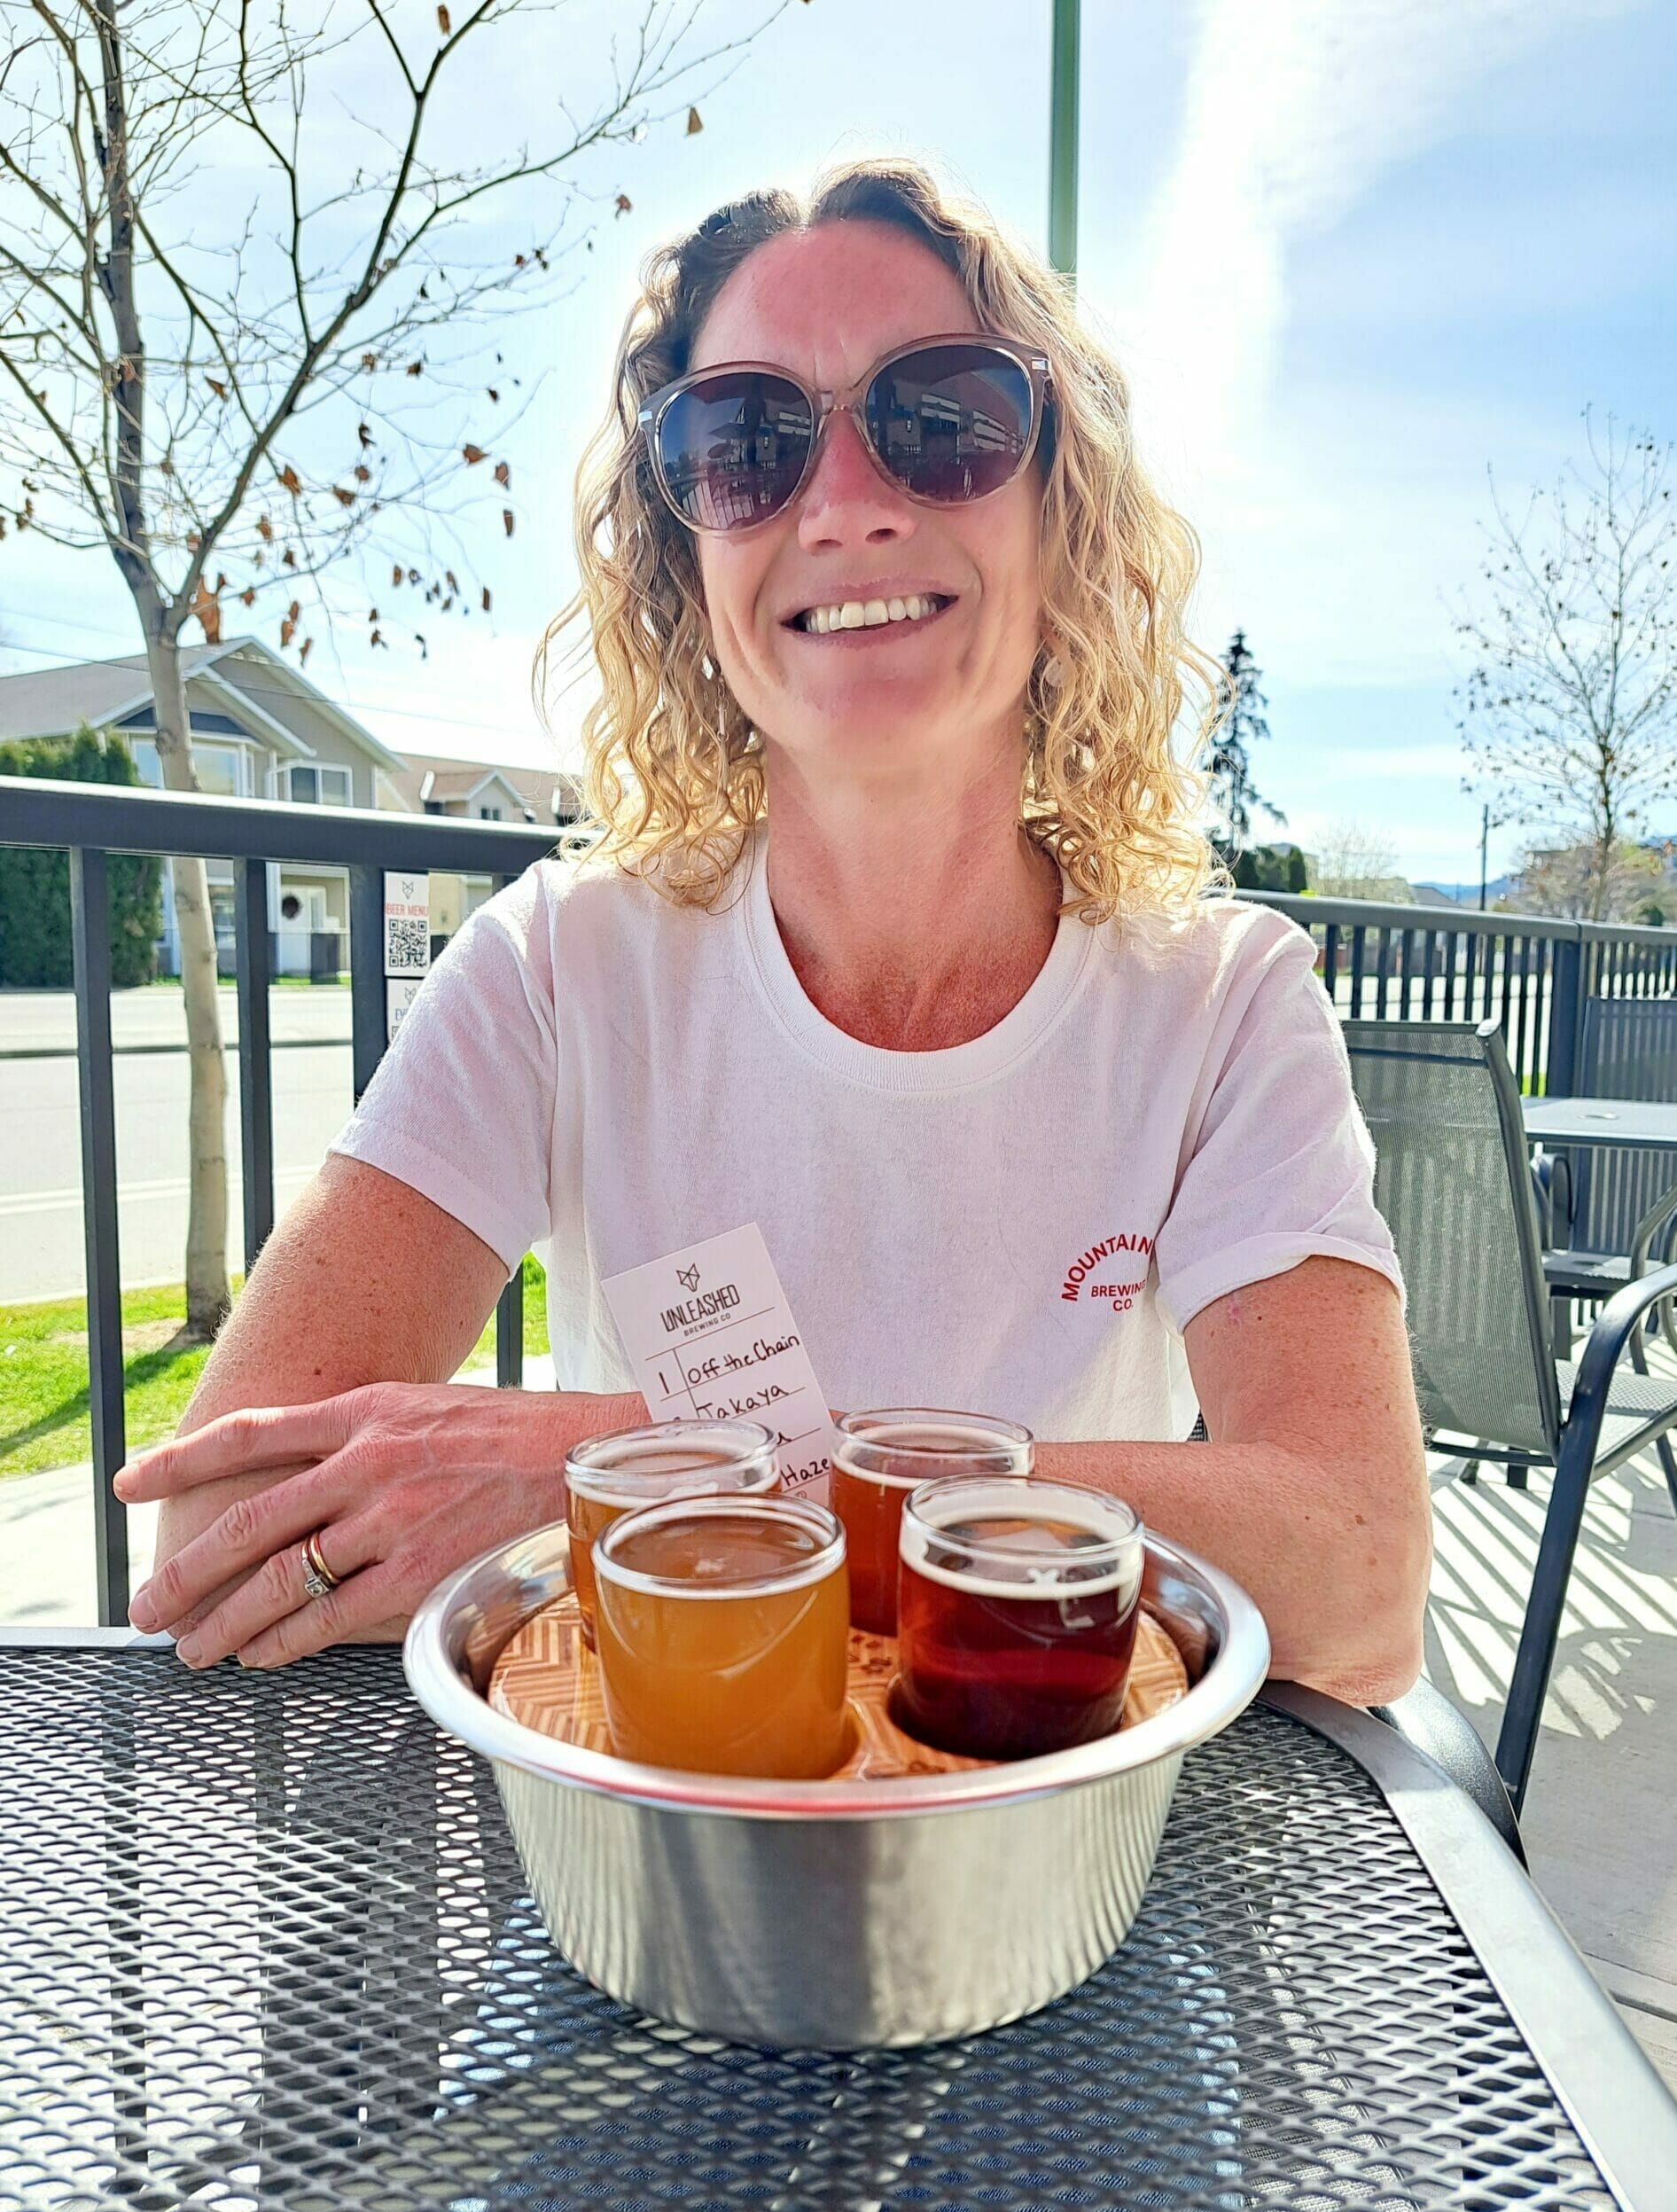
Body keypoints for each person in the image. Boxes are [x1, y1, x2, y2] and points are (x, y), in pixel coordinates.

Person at [118, 159, 1431, 1704]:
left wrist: (615, 1476)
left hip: (1031, 1829)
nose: (848, 506)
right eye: (747, 444)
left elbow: (1356, 1575)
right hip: (660, 1845)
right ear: (687, 562)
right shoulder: (559, 967)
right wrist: (853, 1492)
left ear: (1061, 512)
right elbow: (219, 1521)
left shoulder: (1220, 1003)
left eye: (941, 417)